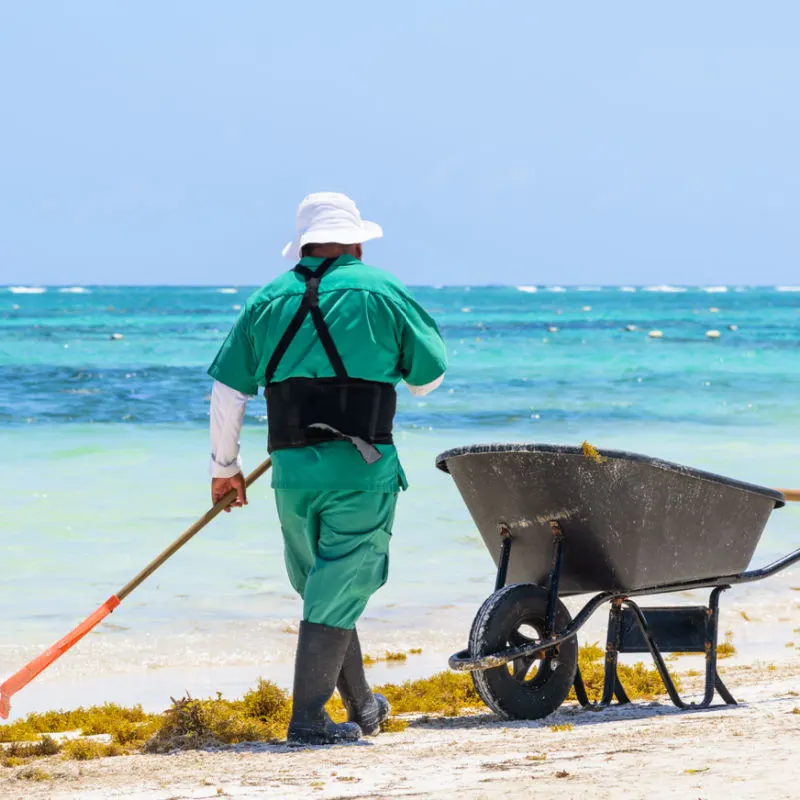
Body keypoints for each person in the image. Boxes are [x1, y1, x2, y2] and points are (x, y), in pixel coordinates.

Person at [206, 192, 447, 745]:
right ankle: (308, 720)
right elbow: (426, 378)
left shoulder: (267, 299)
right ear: (357, 240)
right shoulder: (381, 289)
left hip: (291, 474)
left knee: (325, 587)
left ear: (304, 244)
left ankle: (363, 705)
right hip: (361, 470)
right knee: (338, 586)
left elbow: (228, 391)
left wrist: (227, 467)